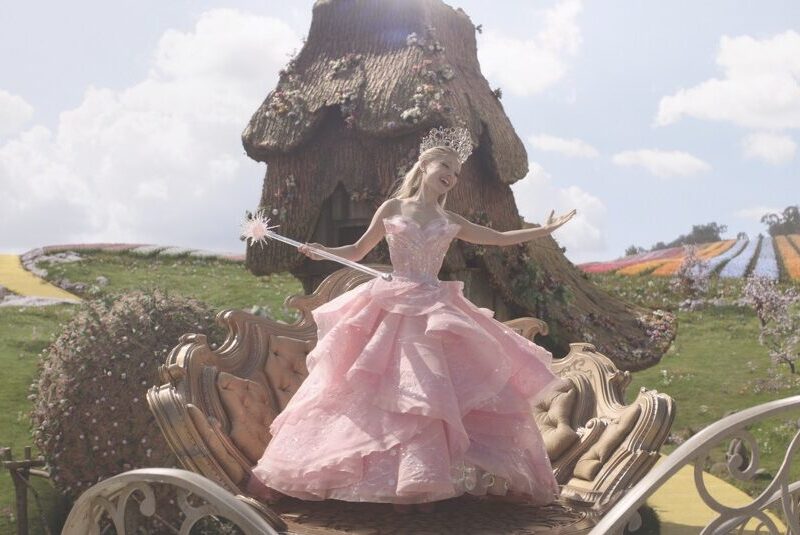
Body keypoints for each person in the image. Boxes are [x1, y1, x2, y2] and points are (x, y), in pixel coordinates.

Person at [248, 126, 577, 512]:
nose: (451, 175)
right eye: (445, 165)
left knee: (430, 394)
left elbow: (499, 237)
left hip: (435, 309)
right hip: (391, 302)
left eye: (455, 171)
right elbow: (356, 249)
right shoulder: (392, 209)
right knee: (371, 388)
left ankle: (424, 483)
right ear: (424, 165)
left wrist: (545, 229)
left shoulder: (450, 220)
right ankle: (382, 482)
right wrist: (323, 250)